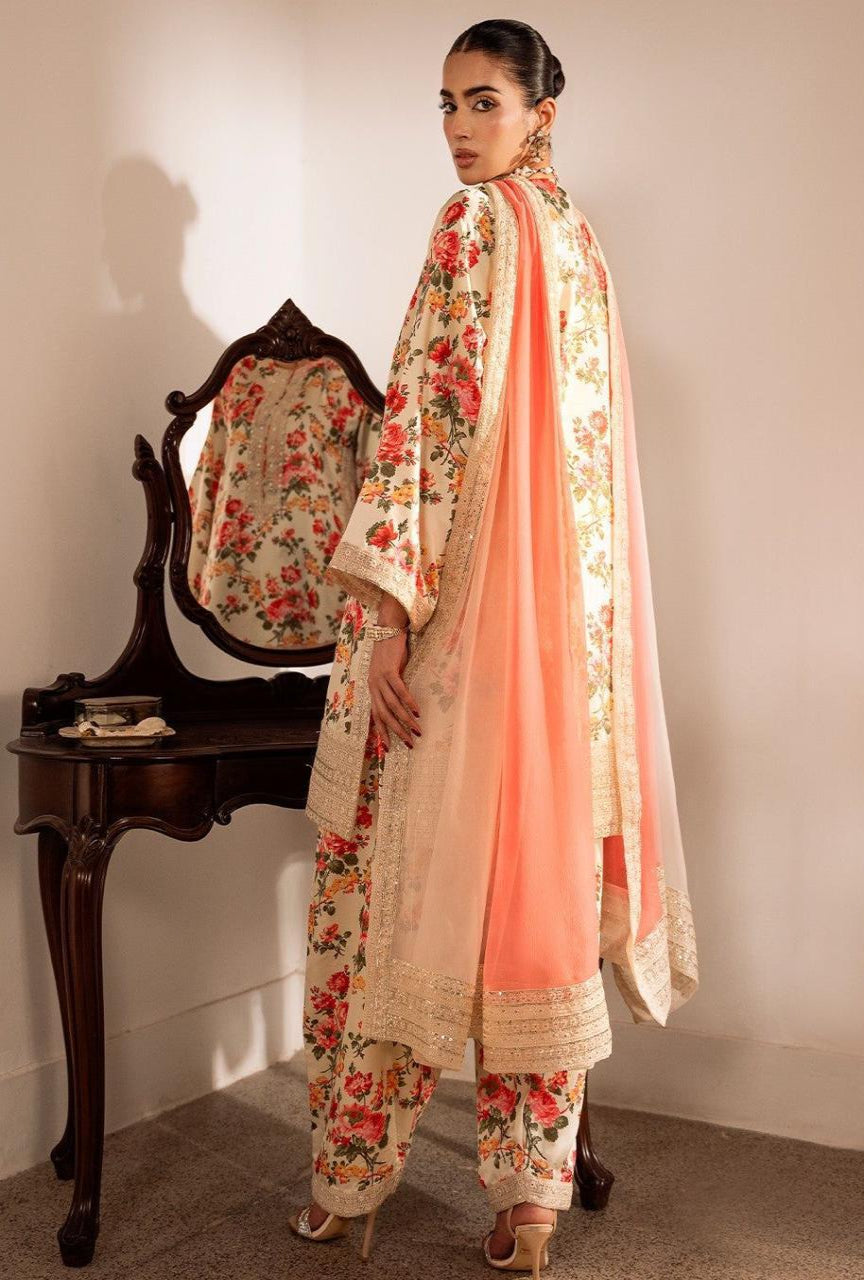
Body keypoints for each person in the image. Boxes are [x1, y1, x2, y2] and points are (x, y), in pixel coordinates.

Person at [289, 18, 699, 1276]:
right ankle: (530, 1198)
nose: (462, 127)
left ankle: (351, 1181)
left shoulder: (473, 227)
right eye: (448, 105)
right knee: (539, 903)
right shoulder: (585, 246)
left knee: (393, 896)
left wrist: (386, 621)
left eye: (485, 101)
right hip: (566, 655)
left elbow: (425, 423)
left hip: (463, 627)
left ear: (541, 112)